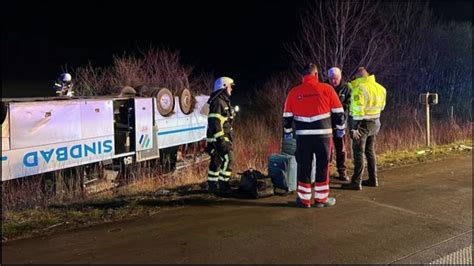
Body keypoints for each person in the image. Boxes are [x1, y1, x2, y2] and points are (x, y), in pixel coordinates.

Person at [283, 63, 345, 208]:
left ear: (302, 77)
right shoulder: (327, 89)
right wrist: (340, 128)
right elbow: (339, 112)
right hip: (323, 136)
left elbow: (287, 117)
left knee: (304, 166)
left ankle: (304, 200)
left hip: (303, 137)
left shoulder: (293, 92)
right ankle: (321, 199)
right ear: (316, 75)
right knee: (323, 166)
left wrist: (287, 133)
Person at [342, 67, 386, 190]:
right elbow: (382, 106)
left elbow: (357, 111)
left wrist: (354, 128)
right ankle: (373, 179)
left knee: (358, 151)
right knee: (370, 151)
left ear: (358, 77)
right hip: (375, 122)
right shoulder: (381, 88)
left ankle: (356, 182)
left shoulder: (359, 89)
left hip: (362, 124)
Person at [206, 77, 236, 195]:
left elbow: (224, 122)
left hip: (221, 137)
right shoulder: (218, 102)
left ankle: (213, 186)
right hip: (219, 138)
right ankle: (223, 184)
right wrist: (220, 139)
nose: (231, 89)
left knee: (217, 161)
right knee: (229, 159)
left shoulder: (222, 101)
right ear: (224, 87)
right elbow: (215, 123)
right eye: (230, 86)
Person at [327, 67, 351, 181]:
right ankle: (326, 171)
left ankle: (342, 171)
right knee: (327, 150)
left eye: (335, 79)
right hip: (326, 124)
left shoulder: (346, 89)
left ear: (340, 77)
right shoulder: (324, 88)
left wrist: (340, 109)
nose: (333, 81)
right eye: (331, 79)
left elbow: (350, 105)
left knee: (341, 149)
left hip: (340, 124)